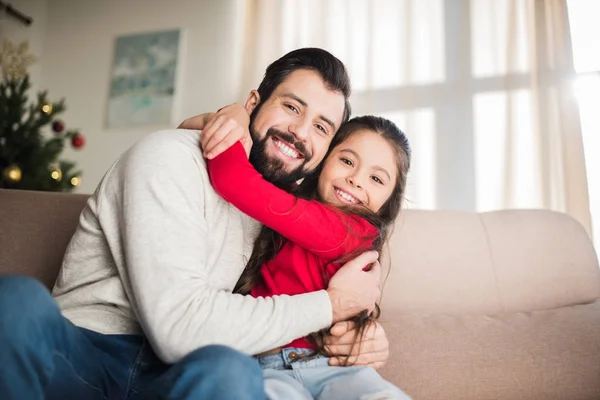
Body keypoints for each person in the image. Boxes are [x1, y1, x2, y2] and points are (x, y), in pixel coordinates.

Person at [0, 48, 391, 400]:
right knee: (15, 302)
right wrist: (332, 304)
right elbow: (178, 330)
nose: (301, 132)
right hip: (86, 354)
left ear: (324, 153)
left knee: (231, 371)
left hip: (183, 377)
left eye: (322, 127)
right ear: (253, 102)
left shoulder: (288, 214)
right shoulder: (168, 155)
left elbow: (322, 287)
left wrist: (365, 335)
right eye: (291, 107)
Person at [202, 111, 412, 399]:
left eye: (376, 178)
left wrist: (216, 124)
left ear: (389, 200)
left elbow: (233, 180)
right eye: (347, 161)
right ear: (323, 160)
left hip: (334, 367)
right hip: (264, 367)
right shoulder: (292, 204)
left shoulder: (353, 231)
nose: (356, 180)